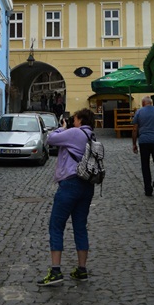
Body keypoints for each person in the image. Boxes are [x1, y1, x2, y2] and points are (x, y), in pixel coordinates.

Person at [37, 108, 95, 286]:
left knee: (56, 225)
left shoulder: (75, 133)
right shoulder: (91, 135)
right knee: (80, 227)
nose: (73, 122)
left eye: (74, 119)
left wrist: (62, 127)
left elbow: (51, 139)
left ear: (80, 120)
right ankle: (81, 270)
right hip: (87, 185)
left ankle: (55, 271)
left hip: (70, 184)